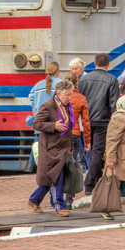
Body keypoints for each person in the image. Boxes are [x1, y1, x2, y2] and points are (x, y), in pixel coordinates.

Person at [28, 80, 77, 217]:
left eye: (70, 94)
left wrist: (70, 146)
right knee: (56, 177)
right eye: (67, 95)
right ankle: (59, 205)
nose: (69, 97)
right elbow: (36, 124)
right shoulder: (48, 106)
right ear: (59, 93)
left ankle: (34, 200)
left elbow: (68, 128)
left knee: (51, 177)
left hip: (62, 147)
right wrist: (53, 126)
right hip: (50, 148)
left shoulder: (66, 106)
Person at [79, 53, 120, 195]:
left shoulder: (83, 80)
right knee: (97, 151)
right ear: (108, 64)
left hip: (86, 120)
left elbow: (80, 100)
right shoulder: (112, 80)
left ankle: (94, 179)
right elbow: (113, 104)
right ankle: (89, 183)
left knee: (90, 150)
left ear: (94, 62)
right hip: (102, 121)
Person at [62, 72, 90, 208]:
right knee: (72, 166)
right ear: (77, 83)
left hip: (60, 134)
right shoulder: (81, 98)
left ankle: (57, 196)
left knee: (60, 165)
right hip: (74, 134)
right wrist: (87, 141)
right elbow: (85, 121)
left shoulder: (59, 96)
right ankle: (69, 198)